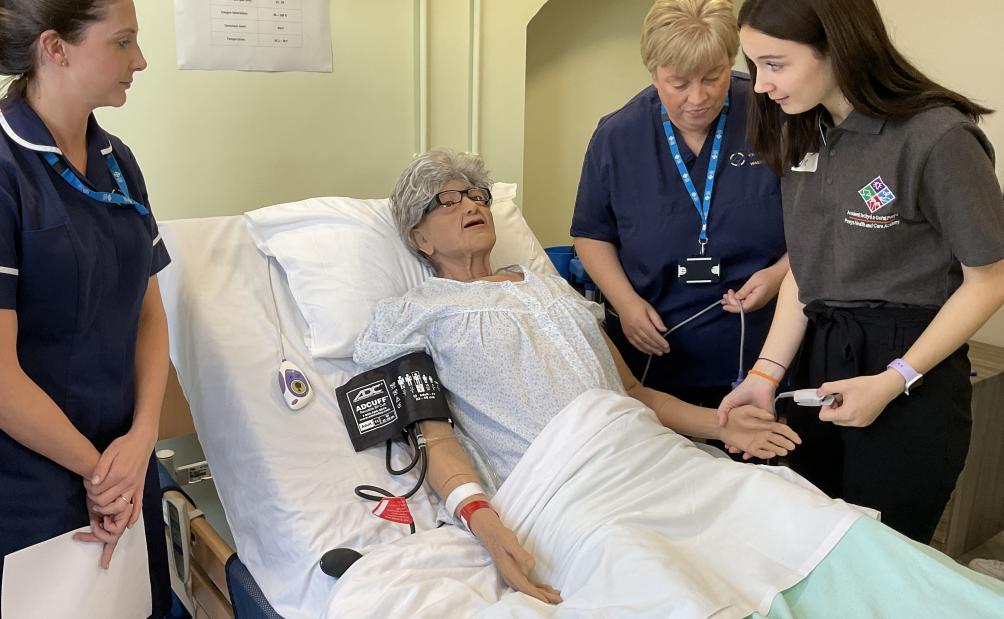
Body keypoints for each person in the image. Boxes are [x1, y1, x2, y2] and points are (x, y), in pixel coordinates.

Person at [346, 150, 1004, 617]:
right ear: (418, 236)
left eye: (478, 193)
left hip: (653, 458)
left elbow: (633, 394)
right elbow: (431, 435)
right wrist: (479, 517)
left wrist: (721, 421)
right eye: (448, 198)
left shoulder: (556, 292)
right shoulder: (412, 316)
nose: (471, 204)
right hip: (565, 490)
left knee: (805, 519)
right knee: (668, 583)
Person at [0, 0, 171, 615]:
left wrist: (140, 442)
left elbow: (150, 315)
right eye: (122, 42)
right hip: (18, 483)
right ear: (55, 48)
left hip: (123, 467)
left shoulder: (118, 163)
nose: (140, 60)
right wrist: (99, 473)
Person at [719, 0, 1004, 544]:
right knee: (803, 545)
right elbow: (808, 269)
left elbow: (991, 278)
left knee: (879, 556)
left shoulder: (937, 138)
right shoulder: (806, 129)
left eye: (775, 65)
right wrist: (763, 376)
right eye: (754, 66)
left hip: (910, 367)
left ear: (837, 45)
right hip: (820, 356)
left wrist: (894, 379)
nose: (759, 87)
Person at [571, 0, 788, 408]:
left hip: (763, 347)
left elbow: (819, 222)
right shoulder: (618, 137)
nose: (698, 98)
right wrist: (627, 304)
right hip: (657, 348)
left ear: (731, 61)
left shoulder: (774, 114)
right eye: (679, 83)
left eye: (713, 77)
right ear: (654, 73)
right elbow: (591, 235)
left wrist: (779, 273)